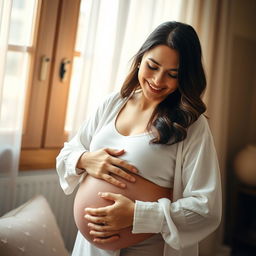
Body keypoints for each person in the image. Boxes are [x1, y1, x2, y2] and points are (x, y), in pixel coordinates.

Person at [56, 21, 222, 256]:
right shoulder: (113, 103)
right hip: (90, 250)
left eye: (172, 75)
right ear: (140, 59)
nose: (157, 81)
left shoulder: (192, 125)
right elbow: (67, 153)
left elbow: (206, 208)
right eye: (152, 66)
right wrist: (85, 159)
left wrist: (137, 215)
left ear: (185, 78)